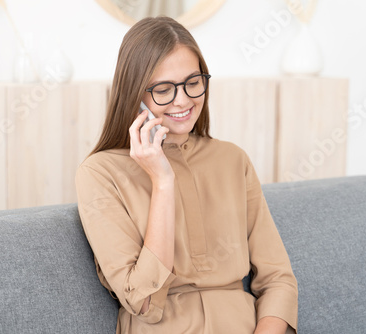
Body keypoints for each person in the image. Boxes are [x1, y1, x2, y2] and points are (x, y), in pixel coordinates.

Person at [75, 16, 298, 334]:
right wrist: (162, 181)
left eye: (193, 83)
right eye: (163, 89)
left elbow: (278, 281)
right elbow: (144, 303)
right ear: (134, 94)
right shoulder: (100, 173)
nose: (183, 100)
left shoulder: (232, 159)